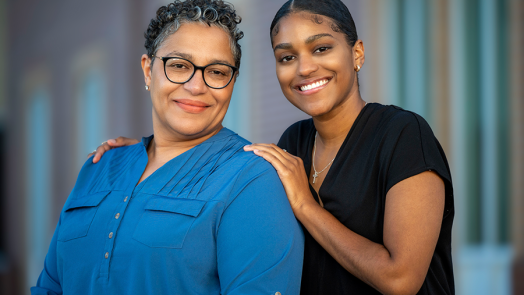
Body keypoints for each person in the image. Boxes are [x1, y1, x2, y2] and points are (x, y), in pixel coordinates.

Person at [92, 0, 455, 294]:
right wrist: (156, 151)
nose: (304, 68)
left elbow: (401, 279)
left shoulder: (402, 134)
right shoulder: (294, 142)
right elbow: (229, 157)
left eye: (322, 48)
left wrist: (306, 206)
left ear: (356, 52)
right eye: (287, 57)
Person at [31, 1, 304, 294]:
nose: (196, 86)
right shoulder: (98, 168)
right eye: (178, 65)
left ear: (232, 81)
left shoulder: (251, 181)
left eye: (216, 71)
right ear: (148, 71)